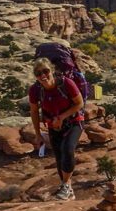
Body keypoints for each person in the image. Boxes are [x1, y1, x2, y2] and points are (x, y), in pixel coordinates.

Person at [29, 57, 84, 200]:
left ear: (52, 70)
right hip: (53, 126)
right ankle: (68, 189)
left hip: (73, 122)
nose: (42, 75)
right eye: (38, 73)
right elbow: (34, 112)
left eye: (45, 71)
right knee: (59, 158)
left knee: (68, 149)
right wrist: (38, 134)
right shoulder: (35, 90)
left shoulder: (66, 83)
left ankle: (65, 186)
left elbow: (79, 104)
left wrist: (61, 117)